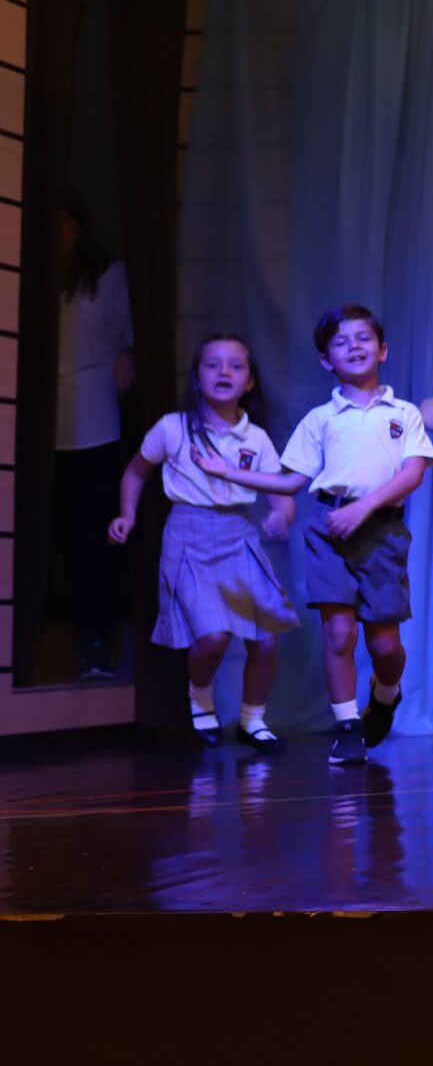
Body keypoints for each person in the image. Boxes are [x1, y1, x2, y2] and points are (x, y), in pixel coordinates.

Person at [204, 305, 433, 766]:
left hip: (382, 532)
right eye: (341, 342)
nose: (354, 347)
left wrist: (363, 508)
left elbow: (412, 474)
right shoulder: (320, 419)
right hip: (329, 529)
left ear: (383, 350)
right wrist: (228, 471)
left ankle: (386, 693)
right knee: (339, 633)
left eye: (363, 338)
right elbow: (291, 480)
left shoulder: (403, 413)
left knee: (385, 644)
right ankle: (347, 726)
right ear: (326, 360)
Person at [108, 335, 297, 747]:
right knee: (213, 636)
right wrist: (127, 514)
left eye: (235, 365)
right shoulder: (172, 427)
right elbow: (136, 471)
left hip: (239, 536)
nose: (223, 371)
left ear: (249, 381)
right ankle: (200, 697)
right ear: (197, 376)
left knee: (266, 640)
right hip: (189, 535)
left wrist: (281, 516)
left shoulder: (256, 438)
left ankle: (252, 720)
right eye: (212, 364)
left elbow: (281, 492)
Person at [56, 196, 135, 678]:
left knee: (93, 536)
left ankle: (96, 642)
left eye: (63, 222)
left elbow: (130, 336)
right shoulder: (34, 275)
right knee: (58, 535)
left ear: (80, 228)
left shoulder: (108, 274)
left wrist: (128, 355)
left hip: (95, 419)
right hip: (46, 420)